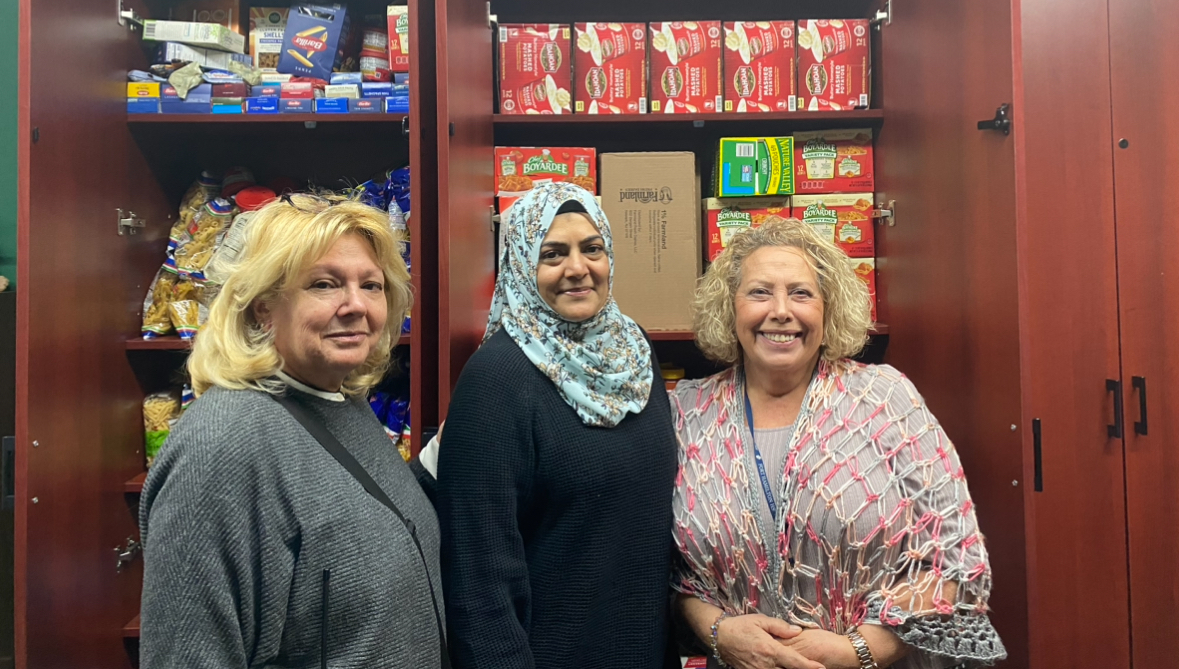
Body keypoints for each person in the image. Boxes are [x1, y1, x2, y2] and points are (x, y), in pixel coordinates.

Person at [673, 218, 1005, 669]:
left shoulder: (884, 397)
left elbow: (956, 556)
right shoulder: (686, 412)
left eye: (801, 293)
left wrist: (861, 650)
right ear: (728, 309)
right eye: (759, 292)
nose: (781, 311)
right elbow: (666, 572)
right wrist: (719, 632)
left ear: (829, 310)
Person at [139, 193, 447, 669]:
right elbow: (188, 652)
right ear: (263, 305)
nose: (356, 305)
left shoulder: (339, 399)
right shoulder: (223, 443)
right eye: (324, 285)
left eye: (372, 285)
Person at [435, 181, 677, 669]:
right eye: (552, 254)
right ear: (522, 264)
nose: (577, 269)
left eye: (592, 249)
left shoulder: (634, 350)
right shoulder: (496, 379)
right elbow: (476, 577)